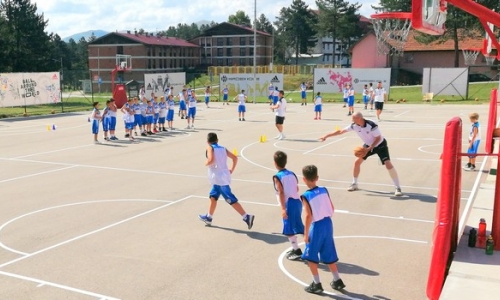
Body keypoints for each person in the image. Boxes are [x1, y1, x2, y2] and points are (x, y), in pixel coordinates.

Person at [319, 111, 403, 196]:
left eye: (353, 118)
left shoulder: (371, 125)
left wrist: (370, 148)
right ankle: (354, 184)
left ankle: (397, 187)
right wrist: (326, 136)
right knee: (357, 162)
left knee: (388, 164)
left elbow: (378, 138)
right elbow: (341, 131)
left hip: (380, 144)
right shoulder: (354, 126)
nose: (351, 119)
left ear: (359, 118)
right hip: (368, 145)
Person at [300, 164, 345, 294]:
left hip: (317, 226)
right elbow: (332, 208)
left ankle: (317, 283)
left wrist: (305, 233)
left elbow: (308, 216)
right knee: (328, 252)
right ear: (317, 177)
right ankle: (337, 280)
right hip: (328, 223)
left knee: (311, 256)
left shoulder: (306, 196)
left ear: (304, 179)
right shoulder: (324, 190)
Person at [198, 132, 255, 229]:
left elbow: (211, 160)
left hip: (219, 179)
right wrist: (231, 169)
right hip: (221, 178)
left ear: (208, 142)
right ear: (217, 140)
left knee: (230, 199)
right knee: (213, 197)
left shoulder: (210, 148)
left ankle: (246, 216)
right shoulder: (223, 148)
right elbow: (235, 158)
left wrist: (206, 162)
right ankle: (209, 217)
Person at [273, 151, 304, 261]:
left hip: (289, 203)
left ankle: (297, 250)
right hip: (297, 202)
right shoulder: (292, 174)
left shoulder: (278, 177)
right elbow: (296, 188)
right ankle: (309, 246)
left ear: (275, 163)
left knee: (289, 229)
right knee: (298, 226)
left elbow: (281, 192)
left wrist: (283, 208)